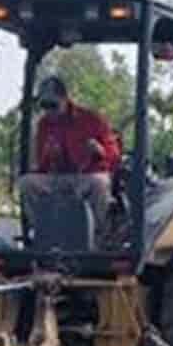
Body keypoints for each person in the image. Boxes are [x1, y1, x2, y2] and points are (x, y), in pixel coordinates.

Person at [25, 75, 120, 238]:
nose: (49, 111)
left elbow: (114, 155)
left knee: (99, 183)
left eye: (53, 105)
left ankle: (97, 235)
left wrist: (99, 150)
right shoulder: (43, 125)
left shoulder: (92, 119)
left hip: (87, 177)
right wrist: (48, 155)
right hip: (58, 178)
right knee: (27, 183)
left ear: (65, 99)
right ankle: (43, 233)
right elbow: (41, 166)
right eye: (44, 106)